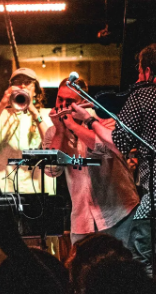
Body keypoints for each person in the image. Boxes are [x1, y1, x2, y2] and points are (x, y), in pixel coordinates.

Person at [74, 44, 156, 273]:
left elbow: (117, 142)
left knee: (141, 254)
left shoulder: (142, 98)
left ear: (149, 71)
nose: (138, 76)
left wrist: (90, 120)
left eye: (140, 70)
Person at [44, 77, 140, 251]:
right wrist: (60, 131)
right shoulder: (53, 131)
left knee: (123, 271)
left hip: (118, 212)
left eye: (70, 101)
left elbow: (102, 150)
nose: (63, 105)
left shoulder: (104, 120)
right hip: (82, 219)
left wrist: (73, 126)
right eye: (60, 99)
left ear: (84, 102)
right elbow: (51, 170)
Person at [0, 67, 54, 194]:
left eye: (28, 82)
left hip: (36, 191)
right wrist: (1, 104)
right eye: (17, 82)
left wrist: (34, 112)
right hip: (4, 190)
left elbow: (52, 146)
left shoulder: (46, 115)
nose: (22, 85)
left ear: (36, 91)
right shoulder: (1, 115)